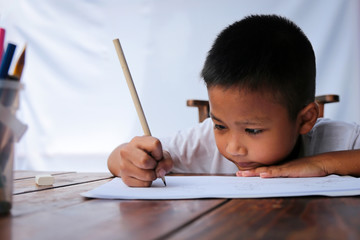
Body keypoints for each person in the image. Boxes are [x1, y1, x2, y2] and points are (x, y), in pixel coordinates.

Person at [108, 14, 360, 187]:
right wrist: (131, 161)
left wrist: (321, 164)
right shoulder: (202, 142)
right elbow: (116, 159)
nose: (232, 148)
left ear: (305, 119)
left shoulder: (338, 140)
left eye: (252, 130)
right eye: (220, 125)